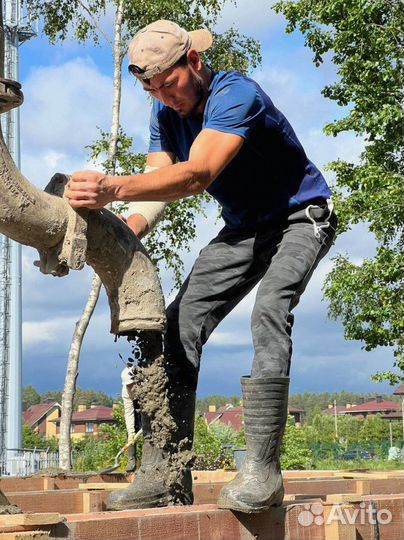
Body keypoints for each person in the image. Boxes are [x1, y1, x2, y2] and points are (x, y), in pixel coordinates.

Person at [65, 19, 337, 513]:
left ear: (193, 62)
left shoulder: (237, 94)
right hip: (244, 230)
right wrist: (112, 235)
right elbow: (156, 189)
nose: (166, 99)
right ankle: (166, 476)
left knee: (269, 310)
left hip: (301, 219)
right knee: (175, 325)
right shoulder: (164, 114)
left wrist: (110, 186)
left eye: (170, 86)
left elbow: (196, 175)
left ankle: (262, 472)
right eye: (154, 91)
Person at [121, 361, 141, 473]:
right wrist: (131, 432)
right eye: (128, 386)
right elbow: (128, 413)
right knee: (130, 433)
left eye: (132, 385)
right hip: (134, 405)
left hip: (146, 402)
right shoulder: (126, 392)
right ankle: (132, 459)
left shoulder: (146, 384)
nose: (131, 388)